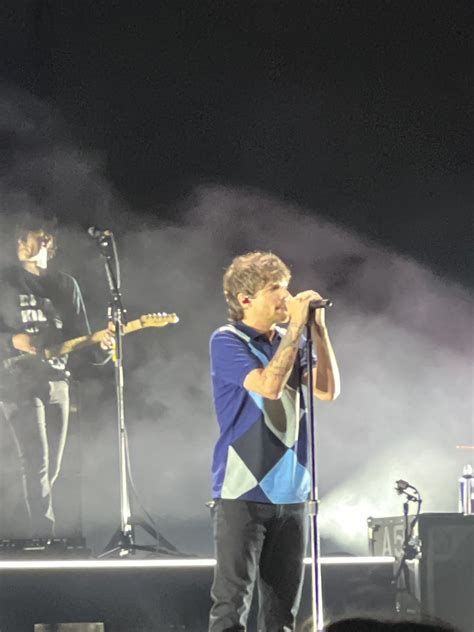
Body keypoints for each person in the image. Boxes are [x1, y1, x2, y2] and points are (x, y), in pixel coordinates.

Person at [208, 251, 341, 632]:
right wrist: (296, 333)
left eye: (286, 287)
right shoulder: (227, 340)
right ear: (246, 299)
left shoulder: (290, 339)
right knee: (231, 607)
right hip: (242, 491)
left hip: (292, 491)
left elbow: (328, 391)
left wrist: (318, 330)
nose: (287, 297)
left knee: (282, 615)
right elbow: (268, 386)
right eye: (275, 290)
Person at [0, 214, 114, 539]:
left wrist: (103, 346)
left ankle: (33, 533)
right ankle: (41, 538)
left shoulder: (65, 285)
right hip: (16, 382)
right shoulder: (4, 280)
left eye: (29, 237)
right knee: (35, 460)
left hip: (56, 382)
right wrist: (12, 341)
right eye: (19, 239)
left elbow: (82, 339)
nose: (22, 244)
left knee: (52, 467)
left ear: (47, 241)